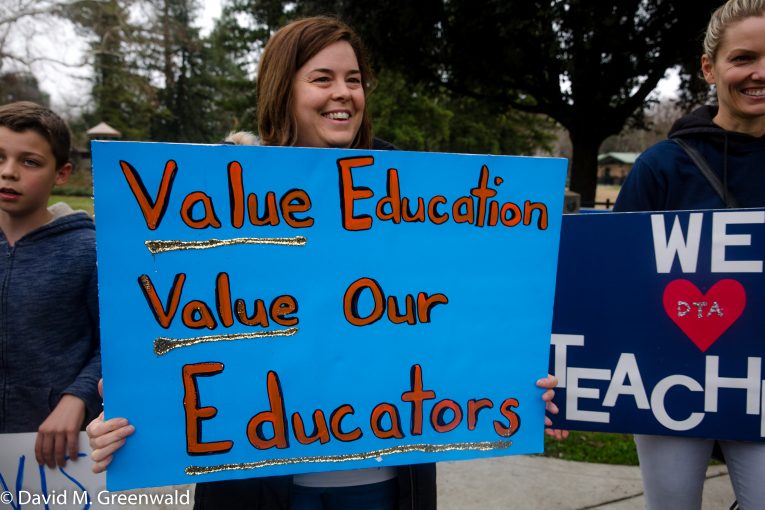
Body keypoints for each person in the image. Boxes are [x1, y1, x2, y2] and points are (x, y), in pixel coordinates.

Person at [86, 16, 563, 510]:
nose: (343, 93)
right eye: (322, 78)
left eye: (353, 80)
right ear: (283, 90)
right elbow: (177, 336)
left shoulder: (411, 200)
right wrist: (131, 418)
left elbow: (453, 315)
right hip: (258, 490)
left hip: (384, 484)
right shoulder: (218, 198)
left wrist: (512, 386)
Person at [614, 1, 765, 508]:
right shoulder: (661, 168)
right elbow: (614, 282)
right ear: (709, 68)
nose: (760, 73)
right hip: (668, 381)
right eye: (743, 58)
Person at [0, 101, 101, 468]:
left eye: (30, 162)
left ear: (62, 173)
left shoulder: (88, 250)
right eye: (0, 158)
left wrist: (79, 397)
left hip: (58, 459)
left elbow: (117, 343)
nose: (9, 172)